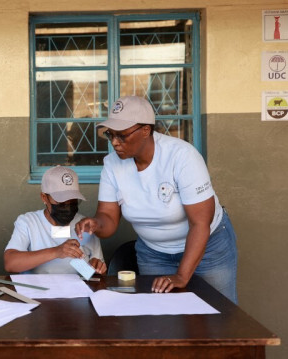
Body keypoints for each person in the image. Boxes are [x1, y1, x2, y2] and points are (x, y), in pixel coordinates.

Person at [75, 96, 238, 303]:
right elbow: (108, 219)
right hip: (154, 253)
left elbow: (200, 223)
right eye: (110, 135)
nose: (115, 142)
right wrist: (96, 223)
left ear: (145, 130)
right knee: (161, 317)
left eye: (122, 135)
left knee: (217, 314)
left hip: (209, 248)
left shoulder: (182, 156)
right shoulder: (112, 165)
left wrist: (181, 275)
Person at [4, 166, 106, 275]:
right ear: (44, 197)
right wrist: (56, 252)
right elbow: (10, 263)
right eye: (61, 202)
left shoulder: (86, 226)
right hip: (35, 290)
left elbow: (96, 274)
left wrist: (95, 269)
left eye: (72, 202)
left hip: (75, 290)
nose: (67, 207)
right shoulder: (29, 222)